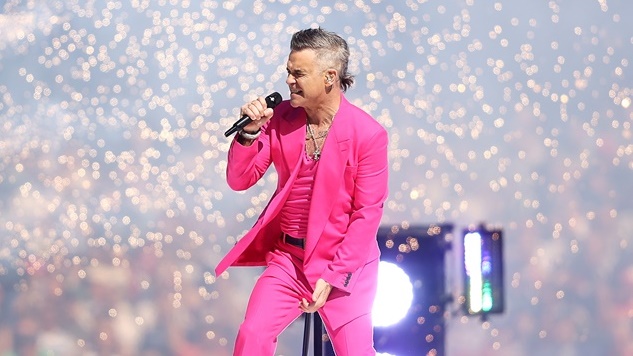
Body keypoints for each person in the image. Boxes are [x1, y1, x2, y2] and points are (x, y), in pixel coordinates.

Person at [214, 28, 389, 356]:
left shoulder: (369, 135)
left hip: (345, 266)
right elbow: (240, 180)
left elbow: (367, 214)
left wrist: (335, 276)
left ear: (329, 77)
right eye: (288, 72)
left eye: (298, 73)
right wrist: (249, 135)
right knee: (252, 335)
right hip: (289, 260)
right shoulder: (281, 118)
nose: (289, 81)